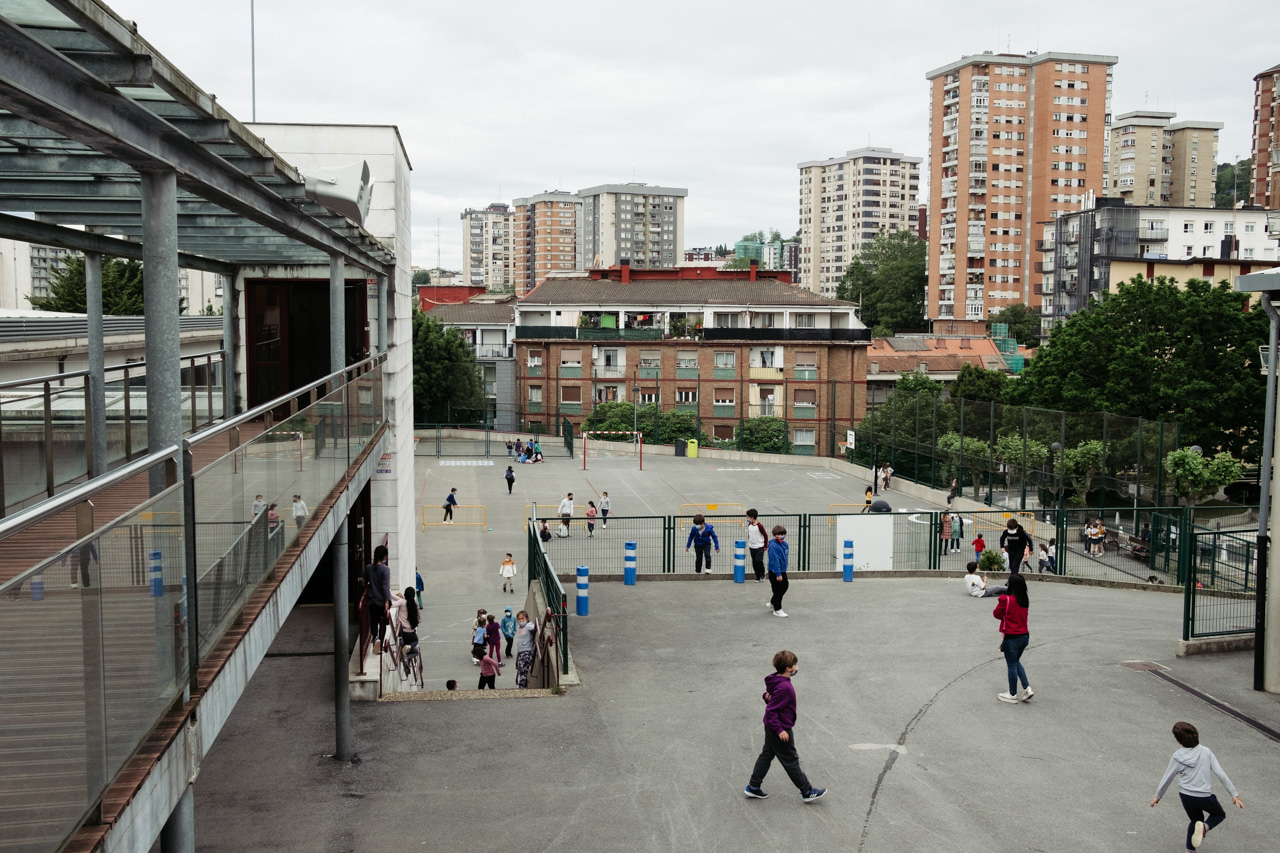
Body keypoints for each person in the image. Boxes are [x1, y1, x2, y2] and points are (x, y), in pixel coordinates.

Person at [744, 650, 826, 804]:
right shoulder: (784, 687)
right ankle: (807, 791)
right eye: (795, 664)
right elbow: (771, 711)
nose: (797, 667)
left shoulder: (775, 680)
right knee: (790, 760)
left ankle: (753, 786)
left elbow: (770, 698)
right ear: (789, 668)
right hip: (779, 728)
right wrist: (780, 730)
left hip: (771, 727)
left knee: (767, 754)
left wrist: (766, 697)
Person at [1151, 721, 1244, 851]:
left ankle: (1189, 850)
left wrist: (1158, 796)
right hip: (1204, 797)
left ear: (1178, 741)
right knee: (1219, 814)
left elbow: (1168, 777)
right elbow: (1220, 773)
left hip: (1186, 796)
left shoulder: (1177, 756)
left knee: (1195, 821)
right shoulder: (1206, 752)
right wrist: (1234, 794)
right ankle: (1205, 828)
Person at [993, 573, 1033, 704]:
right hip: (1024, 636)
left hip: (1011, 637)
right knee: (1015, 662)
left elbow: (996, 614)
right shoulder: (1024, 598)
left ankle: (1012, 694)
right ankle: (1027, 688)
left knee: (1011, 665)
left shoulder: (1006, 599)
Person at [364, 545, 391, 655]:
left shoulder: (369, 568)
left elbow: (365, 579)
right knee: (383, 623)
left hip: (372, 600)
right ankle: (380, 642)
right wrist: (387, 601)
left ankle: (375, 639)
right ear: (385, 557)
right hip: (382, 601)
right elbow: (385, 586)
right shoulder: (385, 570)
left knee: (374, 621)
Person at [390, 586, 420, 664]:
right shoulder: (413, 604)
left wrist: (388, 595)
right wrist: (391, 595)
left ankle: (405, 652)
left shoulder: (403, 602)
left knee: (405, 643)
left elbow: (392, 604)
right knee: (415, 643)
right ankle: (407, 653)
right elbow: (400, 600)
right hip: (410, 632)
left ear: (405, 594)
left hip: (401, 631)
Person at [767, 525, 790, 617]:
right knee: (778, 590)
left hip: (782, 570)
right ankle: (777, 609)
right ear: (774, 535)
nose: (779, 537)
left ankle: (773, 602)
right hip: (775, 572)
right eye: (777, 535)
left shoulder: (785, 544)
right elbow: (774, 561)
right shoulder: (773, 546)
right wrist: (778, 574)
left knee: (785, 586)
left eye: (781, 534)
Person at [514, 610, 536, 688]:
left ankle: (522, 684)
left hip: (527, 651)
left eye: (523, 618)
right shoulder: (521, 628)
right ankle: (523, 683)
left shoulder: (527, 626)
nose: (521, 620)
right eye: (519, 619)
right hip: (522, 651)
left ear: (527, 619)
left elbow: (534, 627)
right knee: (522, 668)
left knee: (523, 668)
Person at [746, 509, 768, 583]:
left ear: (752, 517)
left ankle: (762, 573)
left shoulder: (759, 526)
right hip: (752, 546)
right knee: (754, 562)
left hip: (759, 546)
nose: (747, 518)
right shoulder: (749, 525)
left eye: (748, 517)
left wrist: (765, 545)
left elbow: (765, 535)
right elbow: (749, 534)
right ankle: (757, 576)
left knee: (759, 561)